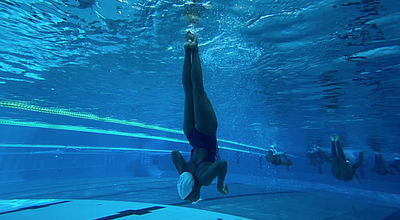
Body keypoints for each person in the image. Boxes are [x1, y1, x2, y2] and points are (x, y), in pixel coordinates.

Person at [171, 32, 228, 204]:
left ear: (192, 192)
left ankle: (194, 48)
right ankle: (187, 50)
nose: (193, 200)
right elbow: (174, 154)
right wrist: (182, 172)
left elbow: (222, 164)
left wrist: (219, 185)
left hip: (205, 133)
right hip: (190, 134)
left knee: (198, 89)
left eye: (190, 199)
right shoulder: (185, 170)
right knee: (188, 90)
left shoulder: (204, 179)